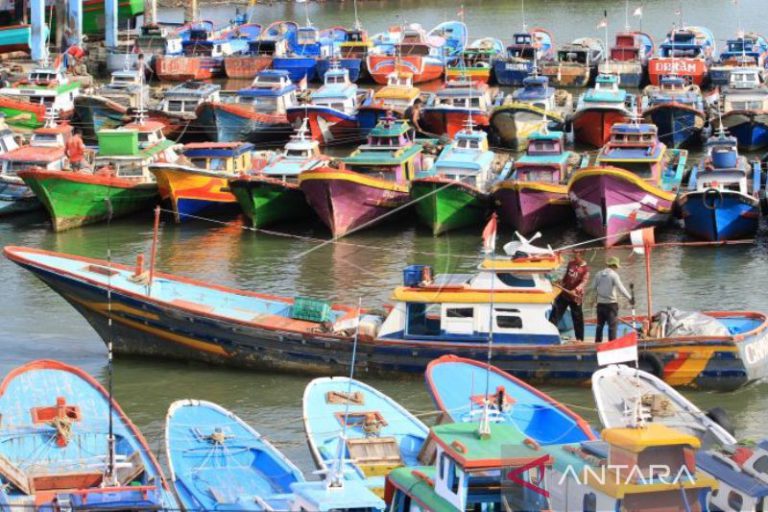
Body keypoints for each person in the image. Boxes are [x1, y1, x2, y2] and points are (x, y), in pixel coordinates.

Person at [549, 253, 589, 341]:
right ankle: (550, 335)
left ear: (582, 257)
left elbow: (583, 282)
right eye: (574, 255)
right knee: (555, 314)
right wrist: (560, 282)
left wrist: (575, 290)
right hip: (565, 294)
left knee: (577, 319)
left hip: (575, 297)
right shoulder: (571, 263)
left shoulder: (585, 269)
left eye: (577, 256)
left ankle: (580, 339)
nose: (575, 257)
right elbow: (566, 277)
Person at [593, 256, 633, 343]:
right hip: (611, 305)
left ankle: (597, 344)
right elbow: (621, 289)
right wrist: (630, 298)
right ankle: (612, 345)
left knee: (599, 325)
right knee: (612, 326)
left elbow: (593, 288)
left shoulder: (598, 274)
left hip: (600, 305)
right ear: (614, 266)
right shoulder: (614, 275)